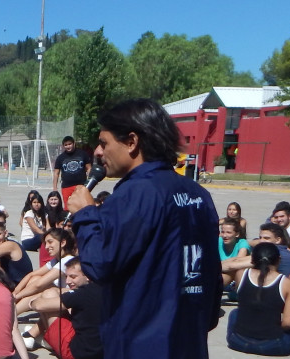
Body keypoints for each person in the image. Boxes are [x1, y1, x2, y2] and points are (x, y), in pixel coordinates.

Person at [67, 98, 222, 359]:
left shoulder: (135, 194)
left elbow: (100, 263)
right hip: (188, 339)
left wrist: (85, 215)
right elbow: (211, 273)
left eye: (104, 143)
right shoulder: (197, 193)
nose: (97, 151)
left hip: (143, 342)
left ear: (132, 142)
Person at [226, 242, 290, 355]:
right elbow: (287, 324)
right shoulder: (287, 283)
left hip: (237, 341)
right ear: (279, 259)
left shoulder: (241, 274)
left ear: (252, 260)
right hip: (272, 345)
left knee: (235, 313)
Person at [29, 257, 104, 359]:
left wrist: (32, 302)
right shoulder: (104, 289)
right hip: (102, 351)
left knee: (48, 294)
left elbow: (39, 306)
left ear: (87, 276)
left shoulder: (80, 295)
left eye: (73, 277)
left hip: (76, 353)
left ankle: (50, 339)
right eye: (66, 276)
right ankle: (48, 337)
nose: (68, 281)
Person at [0, 221, 33, 286]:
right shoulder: (4, 245)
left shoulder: (10, 245)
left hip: (21, 285)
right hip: (13, 282)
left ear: (5, 233)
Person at [53, 135, 92, 209]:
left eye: (69, 144)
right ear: (63, 146)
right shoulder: (60, 158)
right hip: (66, 187)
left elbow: (89, 168)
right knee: (68, 208)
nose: (68, 146)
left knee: (82, 206)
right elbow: (56, 173)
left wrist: (89, 182)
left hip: (81, 186)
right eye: (66, 145)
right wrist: (55, 187)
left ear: (74, 144)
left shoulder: (83, 154)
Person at [219, 218, 250, 286]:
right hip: (222, 272)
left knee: (234, 270)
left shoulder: (242, 243)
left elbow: (238, 262)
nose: (224, 235)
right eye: (223, 232)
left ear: (237, 234)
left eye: (228, 232)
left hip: (236, 275)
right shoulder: (218, 241)